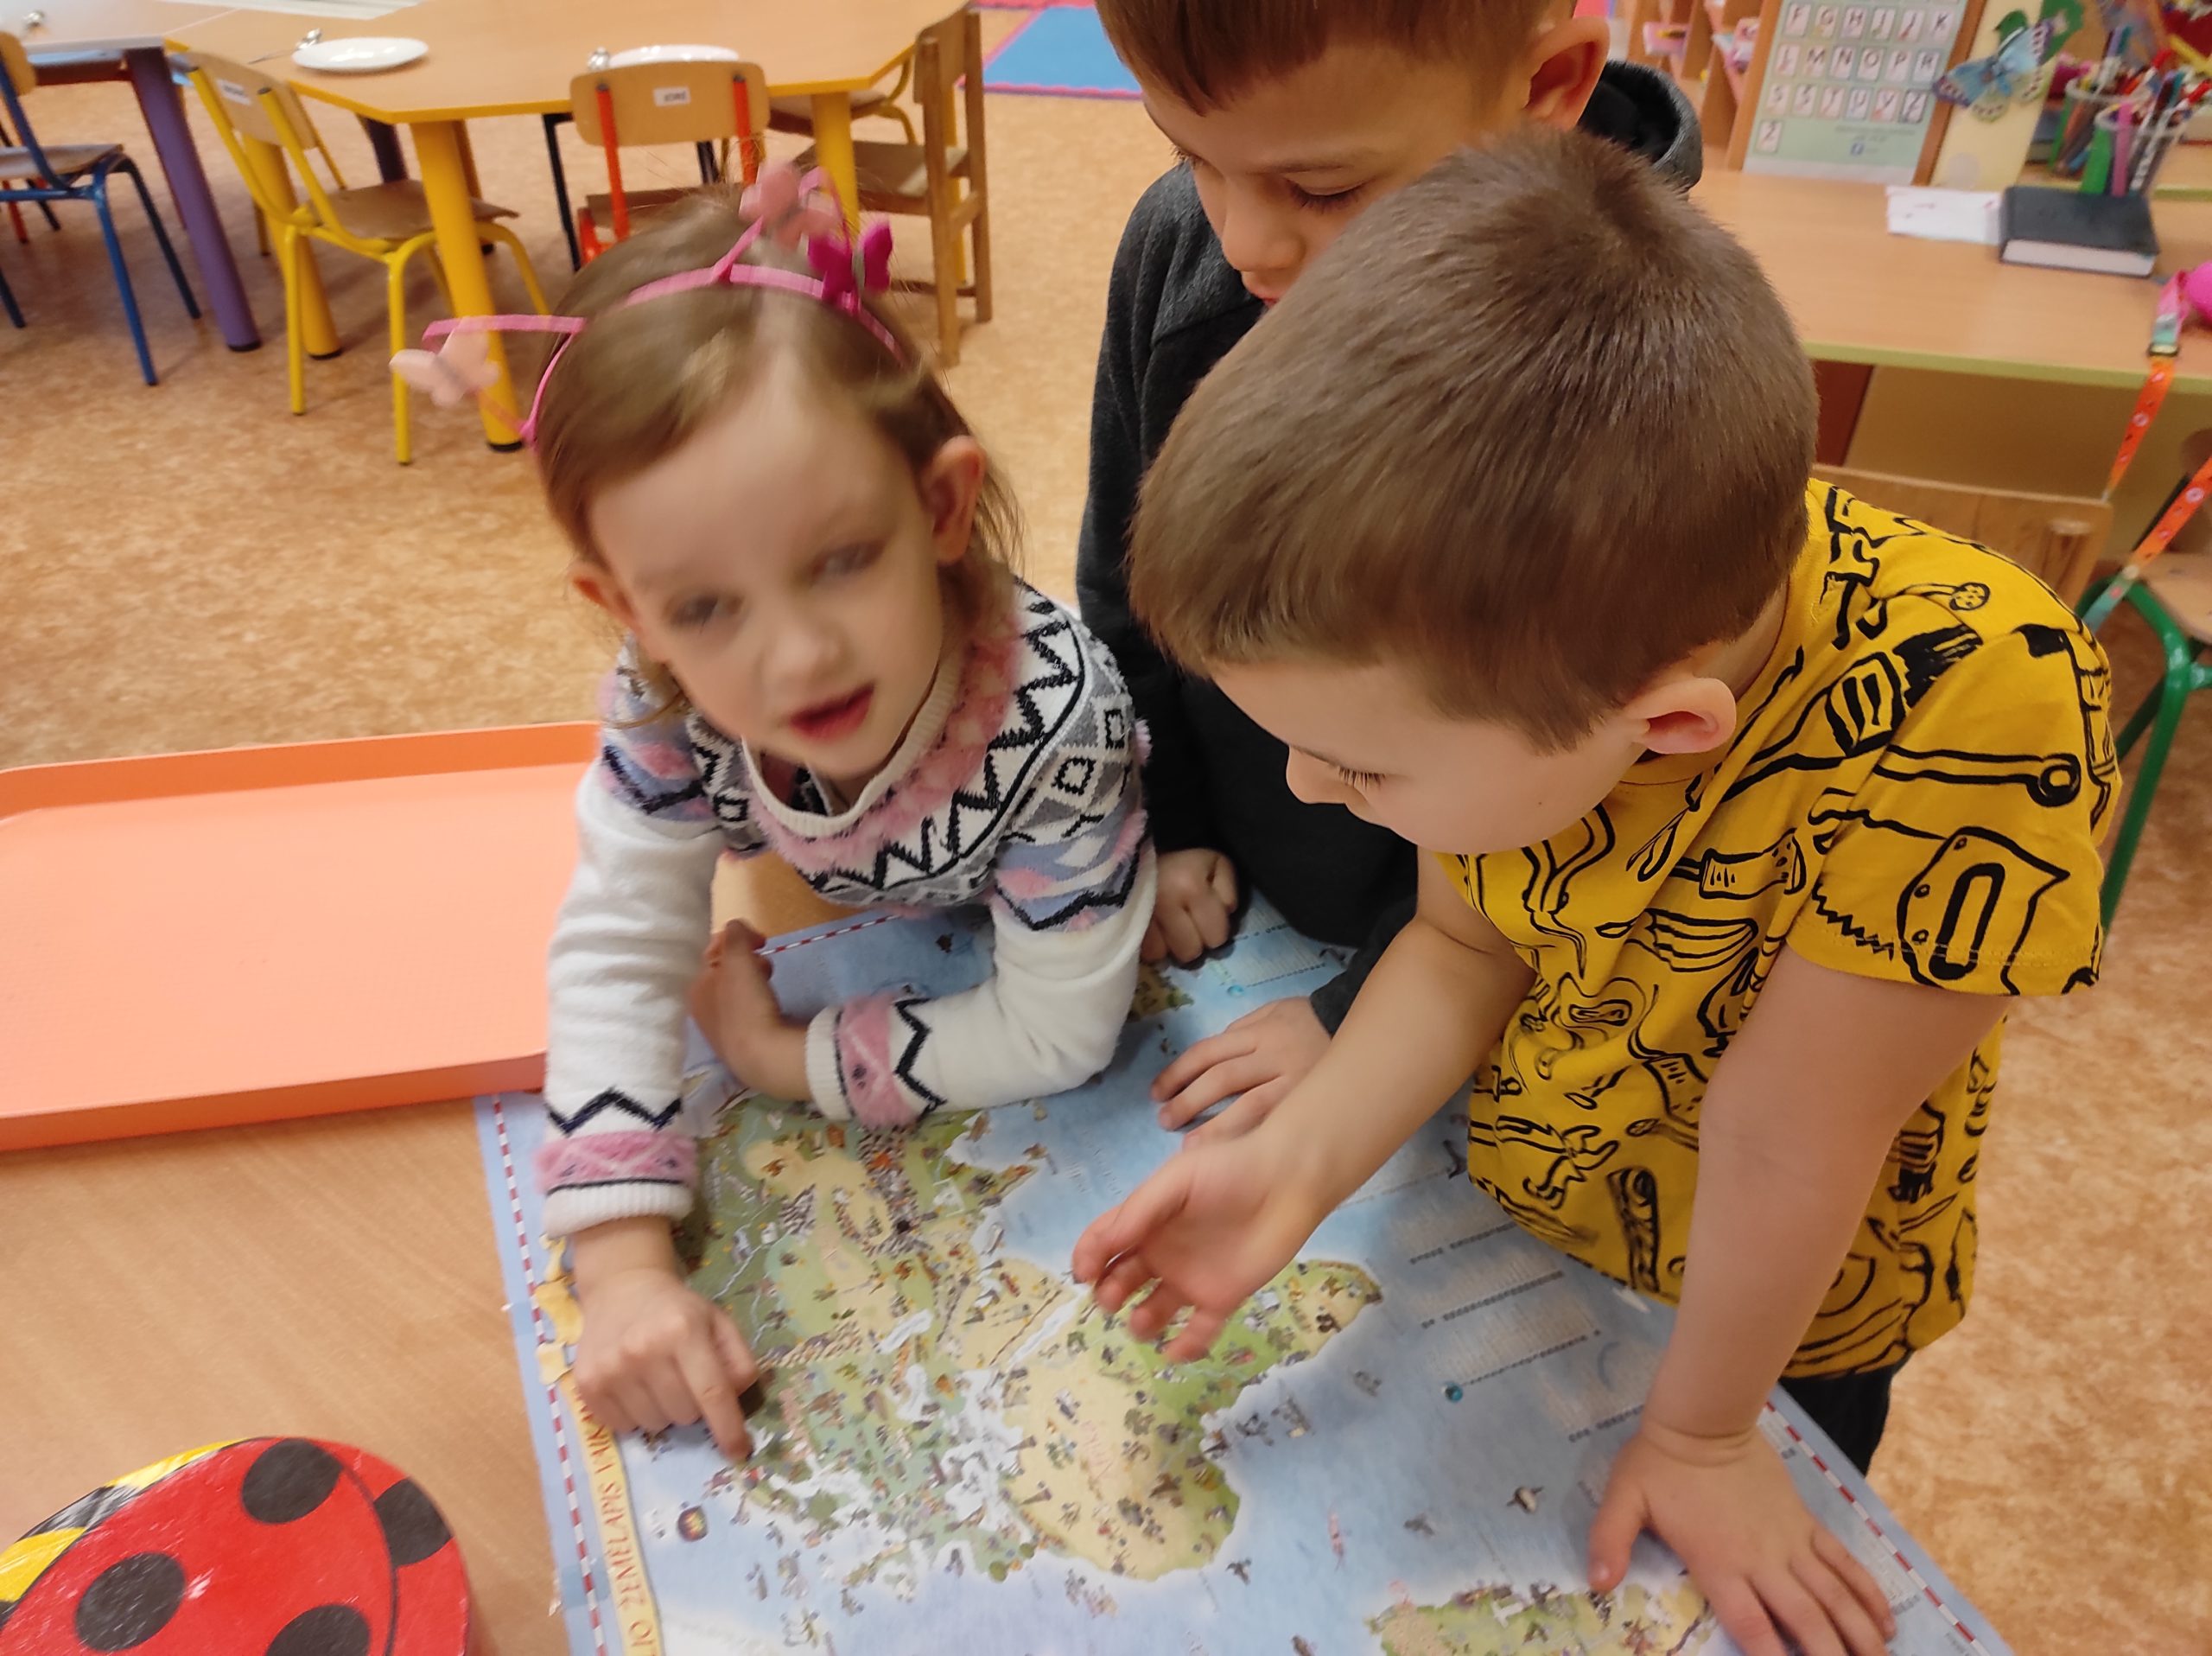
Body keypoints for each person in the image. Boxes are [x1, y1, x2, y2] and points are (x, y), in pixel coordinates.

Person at [1073, 131, 2113, 1656]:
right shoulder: (1528, 637)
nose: (1308, 789)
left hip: (1774, 1313)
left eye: (1362, 767)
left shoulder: (1986, 714)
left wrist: (1706, 1434)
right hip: (1546, 1189)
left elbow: (1785, 1142)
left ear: (1664, 726)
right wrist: (1295, 1167)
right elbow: (1462, 939)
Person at [406, 169, 1155, 1462]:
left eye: (841, 560)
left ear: (940, 506)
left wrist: (780, 1061)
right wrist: (622, 1265)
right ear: (628, 610)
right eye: (703, 609)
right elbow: (619, 941)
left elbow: (1059, 1030)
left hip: (1014, 868)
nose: (798, 659)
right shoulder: (662, 703)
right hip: (836, 888)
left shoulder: (1053, 720)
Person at [1075, 0, 1703, 1133]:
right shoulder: (1183, 252)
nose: (1244, 241)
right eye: (1191, 155)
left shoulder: (1642, 367)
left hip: (1473, 974)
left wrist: (1364, 1004)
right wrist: (1173, 820)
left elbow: (1594, 776)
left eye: (1322, 189)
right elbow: (1122, 590)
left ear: (1545, 88)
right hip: (1248, 877)